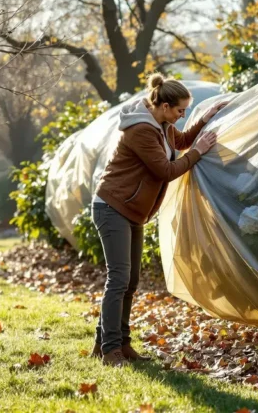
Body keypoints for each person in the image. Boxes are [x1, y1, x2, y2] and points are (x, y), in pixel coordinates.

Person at [90, 73, 227, 366]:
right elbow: (165, 170)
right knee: (119, 279)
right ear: (164, 106)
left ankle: (118, 343)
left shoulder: (163, 126)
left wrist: (205, 119)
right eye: (180, 110)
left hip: (131, 210)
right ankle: (110, 349)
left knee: (130, 281)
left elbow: (185, 140)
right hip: (112, 207)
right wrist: (200, 152)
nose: (182, 115)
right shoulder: (141, 130)